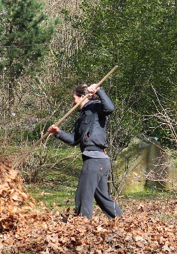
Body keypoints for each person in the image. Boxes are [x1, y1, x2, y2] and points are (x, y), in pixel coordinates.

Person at [47, 83, 123, 220]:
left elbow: (110, 108)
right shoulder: (81, 119)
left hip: (95, 159)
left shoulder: (96, 107)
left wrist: (99, 91)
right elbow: (74, 140)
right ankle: (122, 220)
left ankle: (82, 224)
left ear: (83, 97)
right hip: (96, 160)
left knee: (84, 193)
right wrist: (58, 132)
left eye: (74, 98)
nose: (73, 102)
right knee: (102, 197)